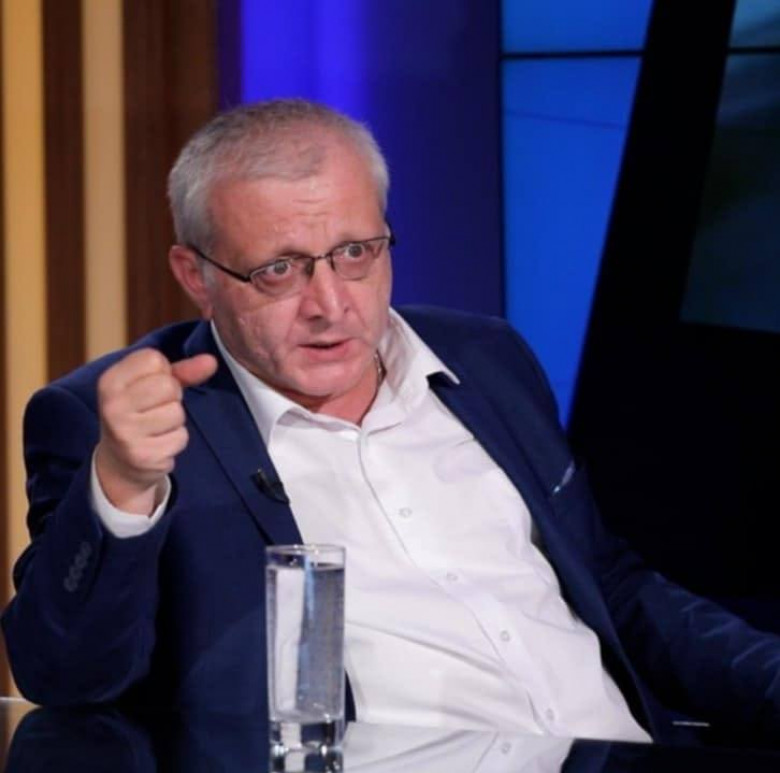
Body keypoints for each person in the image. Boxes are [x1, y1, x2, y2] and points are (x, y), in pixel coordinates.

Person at [3, 99, 780, 744]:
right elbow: (64, 678)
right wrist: (124, 485)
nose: (329, 304)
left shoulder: (487, 358)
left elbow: (611, 586)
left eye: (355, 253)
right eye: (279, 269)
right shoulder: (121, 421)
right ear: (197, 277)